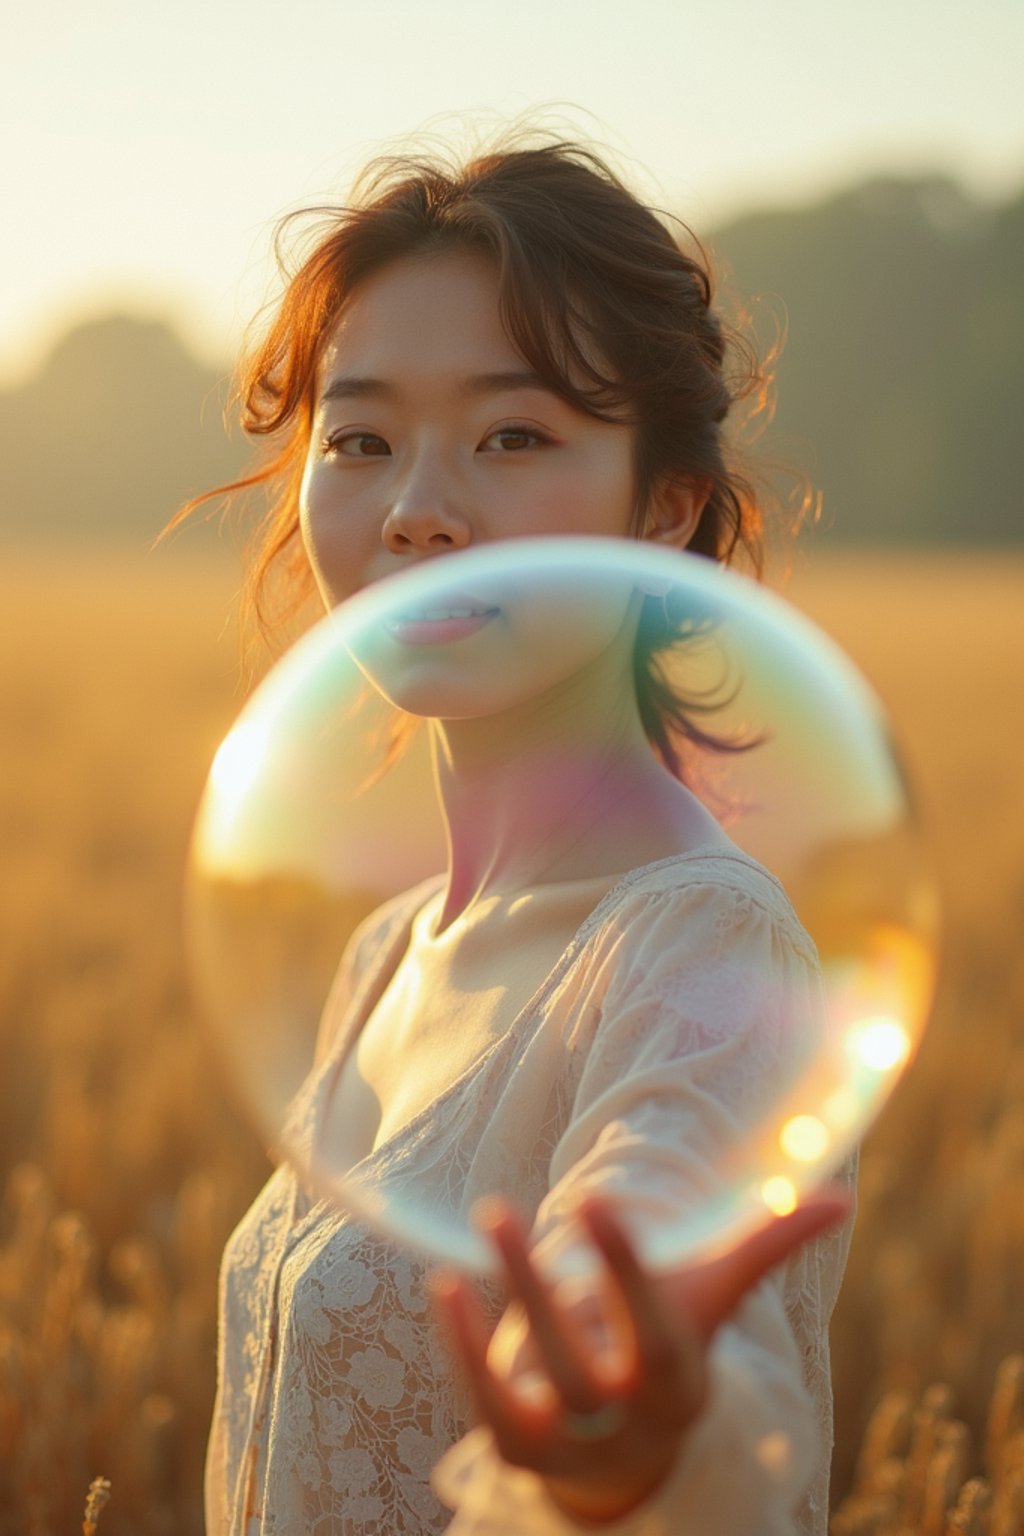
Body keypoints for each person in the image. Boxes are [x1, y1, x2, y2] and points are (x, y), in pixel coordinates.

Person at [188, 133, 858, 1535]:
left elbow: (665, 1304)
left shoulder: (701, 948)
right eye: (360, 440)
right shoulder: (389, 949)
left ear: (662, 506)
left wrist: (634, 1455)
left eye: (513, 437)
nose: (419, 511)